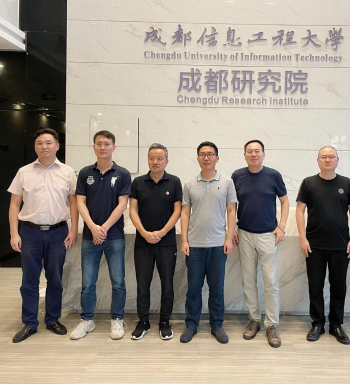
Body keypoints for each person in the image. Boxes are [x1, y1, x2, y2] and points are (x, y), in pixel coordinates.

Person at [8, 128, 78, 343]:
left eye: (48, 142)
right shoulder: (24, 172)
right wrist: (14, 233)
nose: (44, 146)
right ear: (35, 146)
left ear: (57, 146)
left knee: (55, 278)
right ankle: (30, 322)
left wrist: (73, 229)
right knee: (29, 279)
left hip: (58, 232)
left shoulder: (67, 172)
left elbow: (74, 202)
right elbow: (14, 204)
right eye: (40, 143)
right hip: (30, 232)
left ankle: (52, 319)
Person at [70, 131, 131, 340]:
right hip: (90, 237)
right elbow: (80, 202)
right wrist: (93, 227)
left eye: (107, 143)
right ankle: (87, 319)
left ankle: (117, 319)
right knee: (88, 282)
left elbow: (122, 205)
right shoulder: (85, 173)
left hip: (114, 237)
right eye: (99, 144)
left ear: (114, 147)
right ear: (94, 147)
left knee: (118, 281)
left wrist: (102, 228)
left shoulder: (122, 174)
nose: (103, 147)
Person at [295, 146, 350, 345]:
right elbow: (299, 210)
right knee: (315, 285)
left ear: (337, 160)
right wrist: (303, 238)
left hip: (341, 244)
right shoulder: (308, 183)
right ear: (318, 160)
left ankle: (336, 324)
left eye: (331, 157)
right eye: (324, 157)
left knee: (338, 286)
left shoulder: (346, 183)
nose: (328, 160)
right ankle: (317, 323)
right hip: (314, 244)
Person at [231, 140, 289, 348]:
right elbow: (231, 205)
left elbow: (284, 200)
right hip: (244, 234)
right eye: (250, 151)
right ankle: (254, 320)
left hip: (267, 235)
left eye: (257, 151)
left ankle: (271, 324)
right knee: (248, 281)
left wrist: (281, 226)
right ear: (244, 154)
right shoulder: (237, 176)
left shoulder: (273, 175)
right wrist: (231, 229)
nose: (254, 154)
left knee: (270, 282)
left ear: (264, 154)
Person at [179, 141, 237, 344]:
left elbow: (231, 211)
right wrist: (184, 240)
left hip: (218, 245)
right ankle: (191, 325)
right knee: (193, 288)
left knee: (216, 289)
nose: (206, 157)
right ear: (198, 159)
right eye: (202, 154)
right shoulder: (189, 184)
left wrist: (229, 238)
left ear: (217, 158)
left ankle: (217, 325)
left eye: (210, 154)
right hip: (194, 245)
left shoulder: (227, 182)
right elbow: (184, 213)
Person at [129, 143, 182, 340]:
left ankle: (164, 322)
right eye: (151, 158)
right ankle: (143, 322)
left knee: (167, 284)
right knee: (143, 284)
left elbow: (178, 211)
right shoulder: (138, 182)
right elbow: (132, 210)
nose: (155, 162)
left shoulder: (174, 182)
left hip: (166, 243)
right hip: (143, 243)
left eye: (160, 158)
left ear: (166, 161)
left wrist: (162, 232)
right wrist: (144, 232)